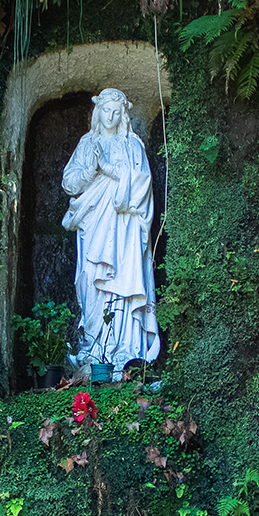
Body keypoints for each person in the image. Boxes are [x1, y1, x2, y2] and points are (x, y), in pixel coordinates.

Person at [60, 88, 160, 372]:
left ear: (123, 114)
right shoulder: (87, 143)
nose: (111, 117)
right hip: (94, 223)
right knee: (90, 279)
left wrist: (113, 170)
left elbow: (143, 182)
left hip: (125, 225)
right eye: (107, 110)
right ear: (97, 111)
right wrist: (93, 169)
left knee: (123, 280)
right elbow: (70, 184)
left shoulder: (132, 144)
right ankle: (94, 348)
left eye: (117, 112)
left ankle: (125, 350)